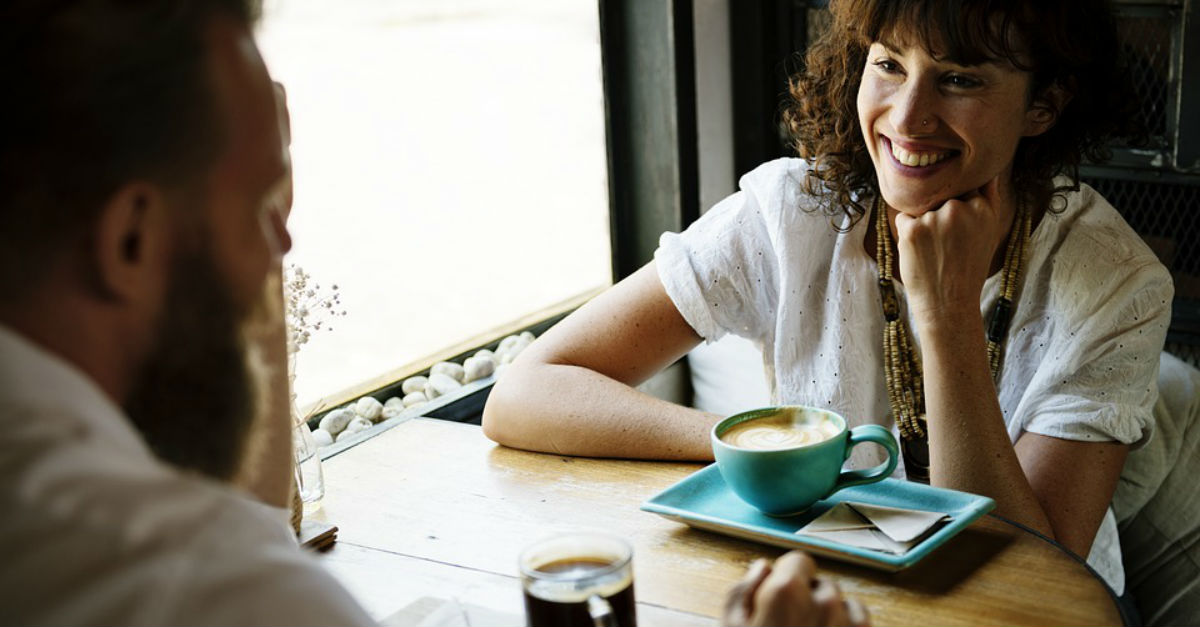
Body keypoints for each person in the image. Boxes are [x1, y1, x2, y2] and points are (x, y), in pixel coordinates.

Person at [0, 1, 864, 625]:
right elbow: (232, 561)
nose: (283, 255)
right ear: (129, 240)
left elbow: (249, 528)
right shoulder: (195, 580)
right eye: (263, 208)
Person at [483, 0, 1172, 596]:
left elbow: (1028, 572)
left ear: (1043, 105)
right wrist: (763, 453)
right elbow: (524, 394)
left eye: (959, 78)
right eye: (890, 64)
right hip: (828, 591)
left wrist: (948, 315)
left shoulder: (1119, 283)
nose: (907, 118)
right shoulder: (791, 213)